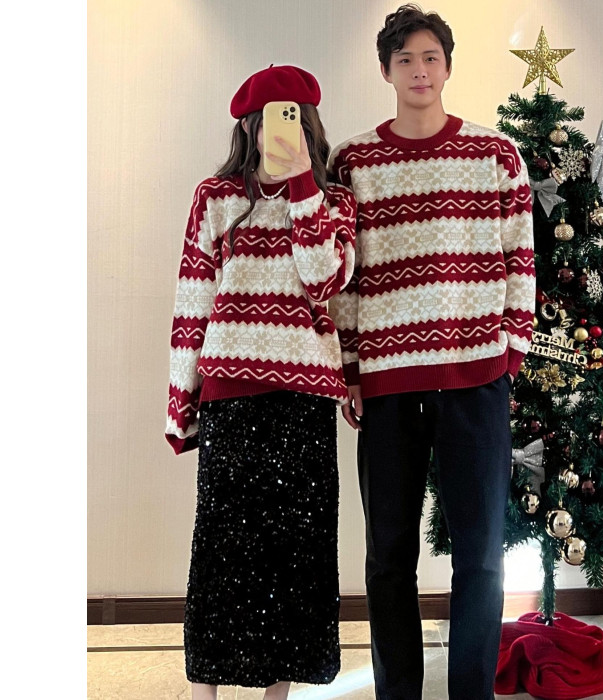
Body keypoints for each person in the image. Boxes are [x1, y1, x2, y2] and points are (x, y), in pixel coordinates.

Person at [327, 5, 535, 699]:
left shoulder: (494, 155)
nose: (419, 70)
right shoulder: (353, 162)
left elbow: (519, 254)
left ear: (447, 67)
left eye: (431, 58)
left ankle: (471, 692)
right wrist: (350, 368)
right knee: (388, 556)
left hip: (476, 379)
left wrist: (510, 351)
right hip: (387, 385)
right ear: (386, 71)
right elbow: (344, 276)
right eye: (405, 59)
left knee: (481, 556)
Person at [165, 64, 357, 700]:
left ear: (310, 125)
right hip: (231, 396)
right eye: (271, 117)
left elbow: (326, 279)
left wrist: (302, 186)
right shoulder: (215, 198)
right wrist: (181, 402)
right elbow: (192, 299)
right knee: (223, 548)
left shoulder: (334, 202)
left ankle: (278, 693)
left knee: (297, 553)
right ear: (249, 126)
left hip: (305, 399)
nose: (281, 128)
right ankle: (206, 693)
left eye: (293, 117)